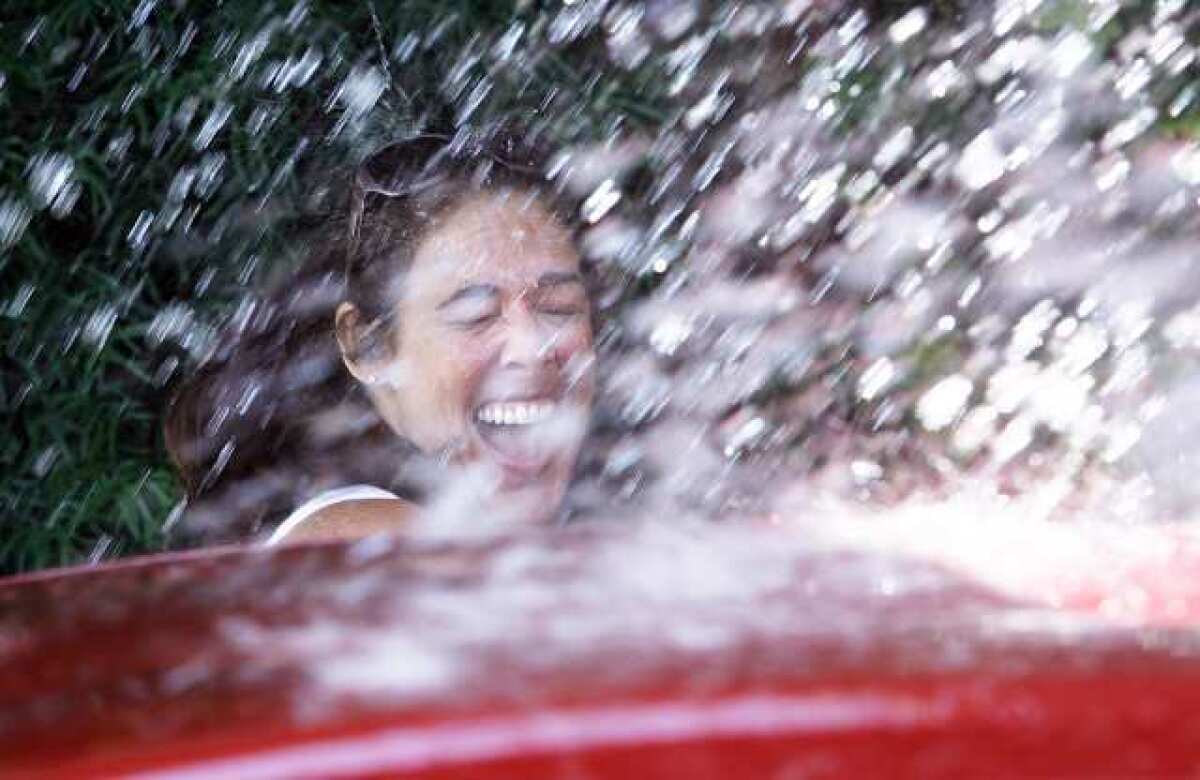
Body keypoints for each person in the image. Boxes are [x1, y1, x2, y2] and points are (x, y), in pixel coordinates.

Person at [164, 129, 596, 545]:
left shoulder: (354, 514)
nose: (532, 346)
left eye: (559, 307)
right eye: (475, 314)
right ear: (366, 346)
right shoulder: (369, 540)